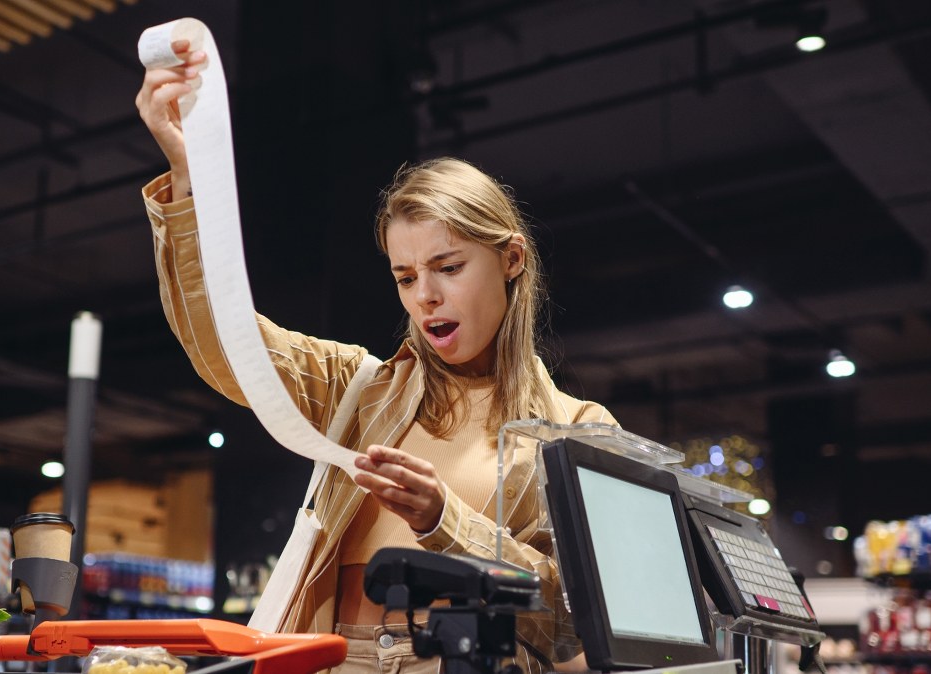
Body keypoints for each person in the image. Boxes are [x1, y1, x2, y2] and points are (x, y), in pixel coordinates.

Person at [137, 40, 615, 674]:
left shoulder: (578, 433)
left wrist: (447, 521)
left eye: (448, 267)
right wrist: (190, 175)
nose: (426, 296)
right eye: (405, 276)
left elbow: (579, 622)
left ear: (511, 260)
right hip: (335, 660)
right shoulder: (357, 389)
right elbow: (223, 338)